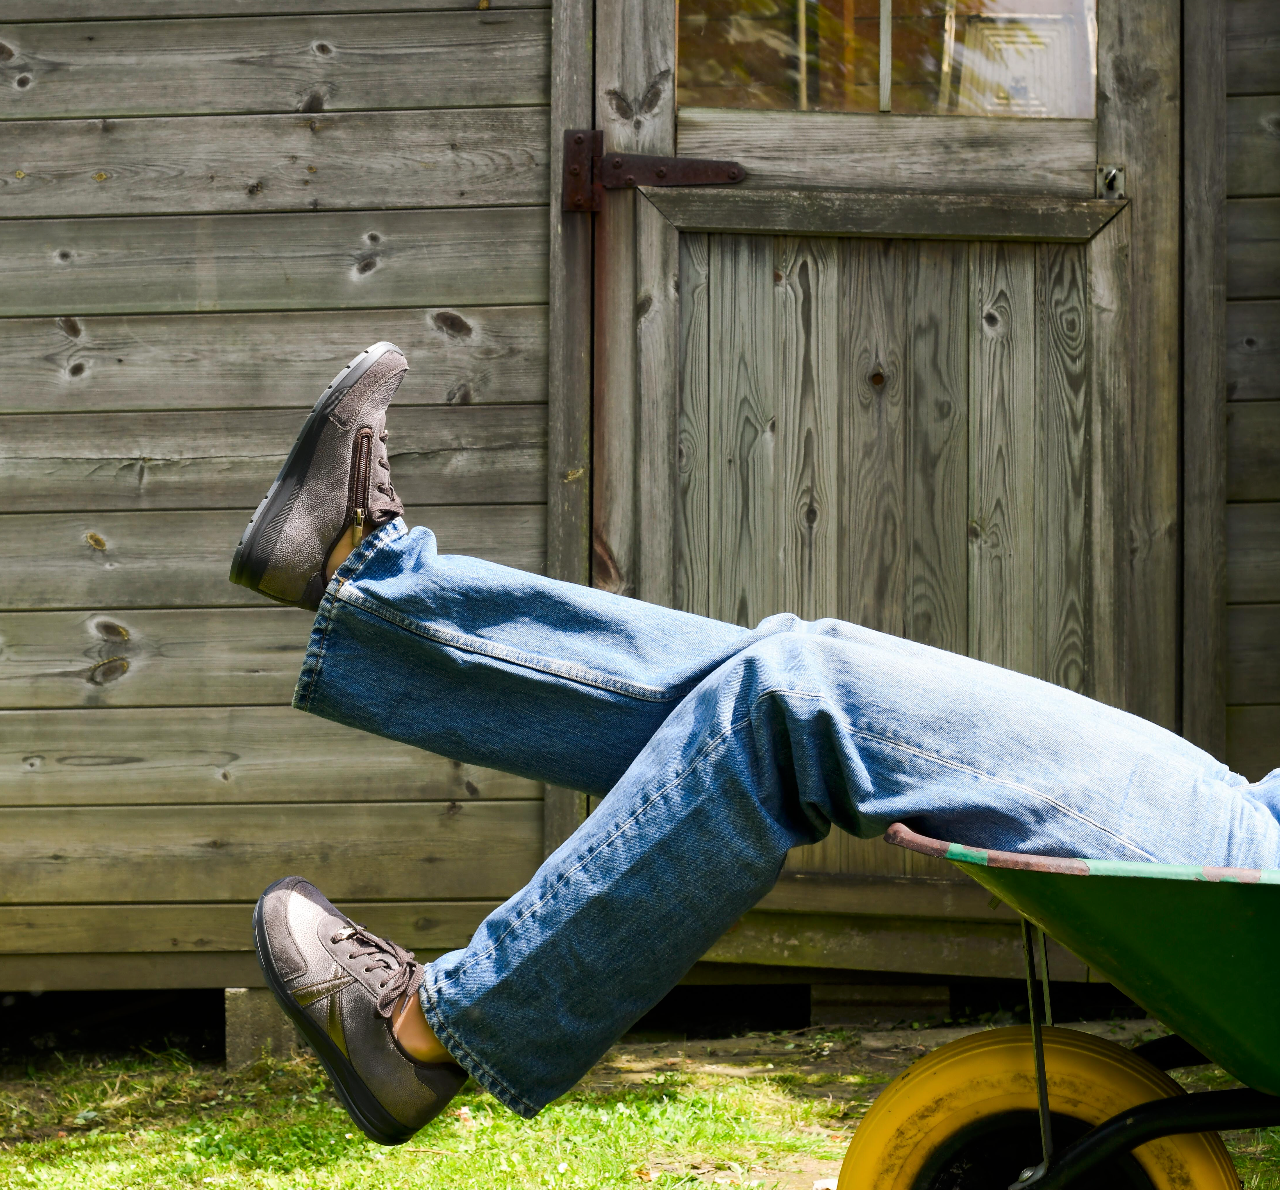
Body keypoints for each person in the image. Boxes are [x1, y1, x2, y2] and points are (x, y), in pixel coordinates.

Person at [229, 342, 1280, 1147]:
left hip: (1256, 860)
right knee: (775, 686)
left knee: (800, 690)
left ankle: (425, 1027)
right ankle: (364, 582)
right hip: (1254, 823)